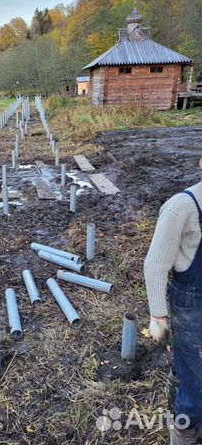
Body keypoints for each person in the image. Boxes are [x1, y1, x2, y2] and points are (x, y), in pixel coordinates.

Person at [144, 158, 202, 445]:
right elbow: (155, 264)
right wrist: (158, 317)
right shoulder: (183, 206)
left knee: (192, 368)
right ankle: (185, 431)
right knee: (197, 378)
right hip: (192, 303)